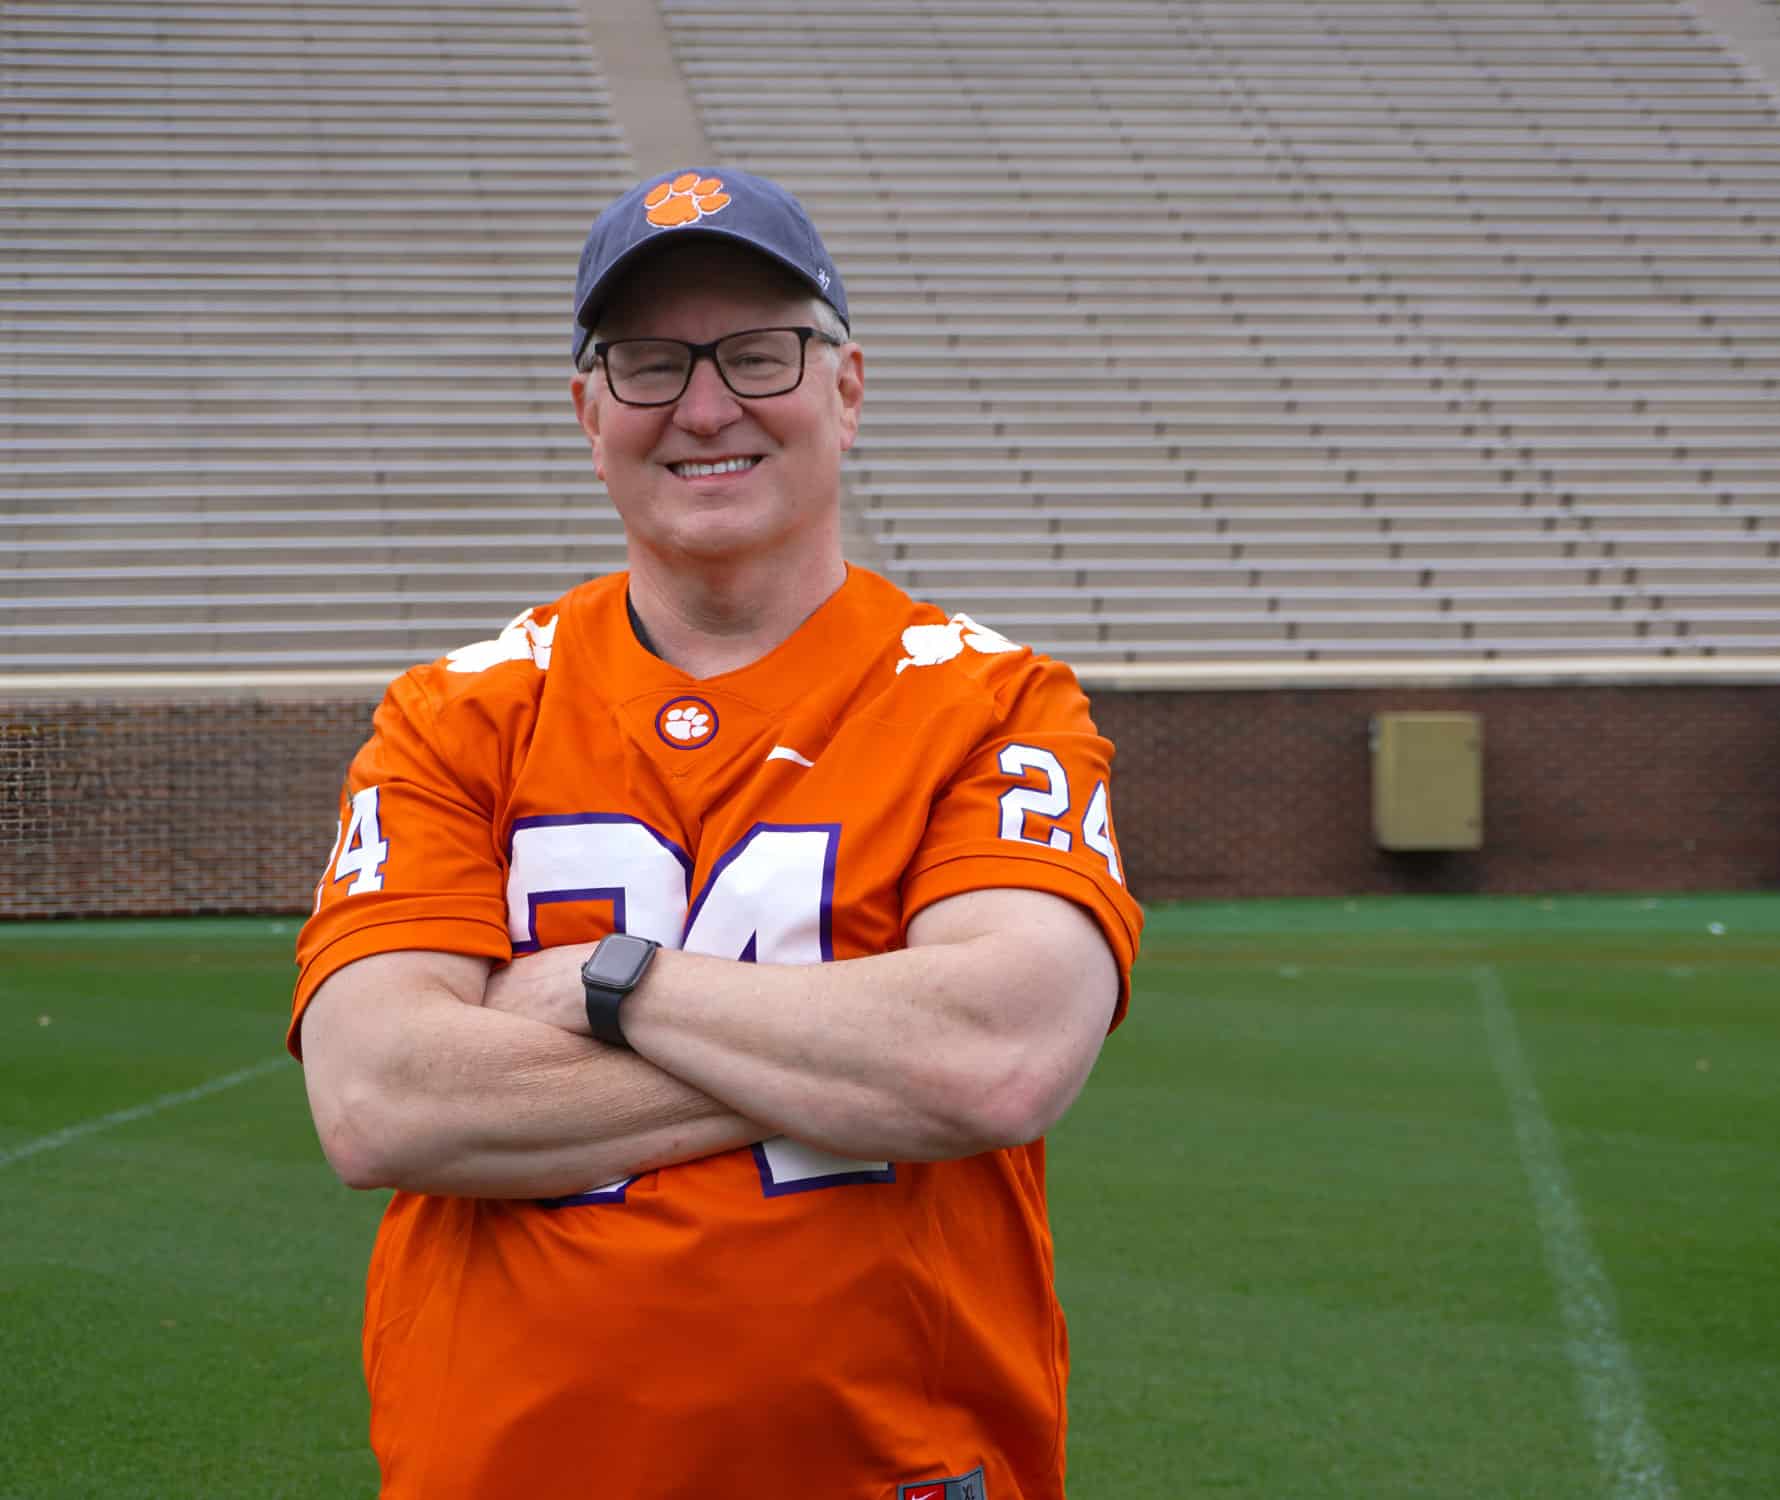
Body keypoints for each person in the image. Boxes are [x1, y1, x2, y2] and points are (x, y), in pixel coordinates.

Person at [289, 167, 1143, 1500]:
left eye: (757, 354)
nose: (703, 407)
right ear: (589, 414)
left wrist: (601, 985)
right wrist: (854, 1056)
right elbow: (379, 1099)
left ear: (845, 388)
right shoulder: (453, 715)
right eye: (647, 363)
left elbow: (996, 1061)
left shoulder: (996, 704)